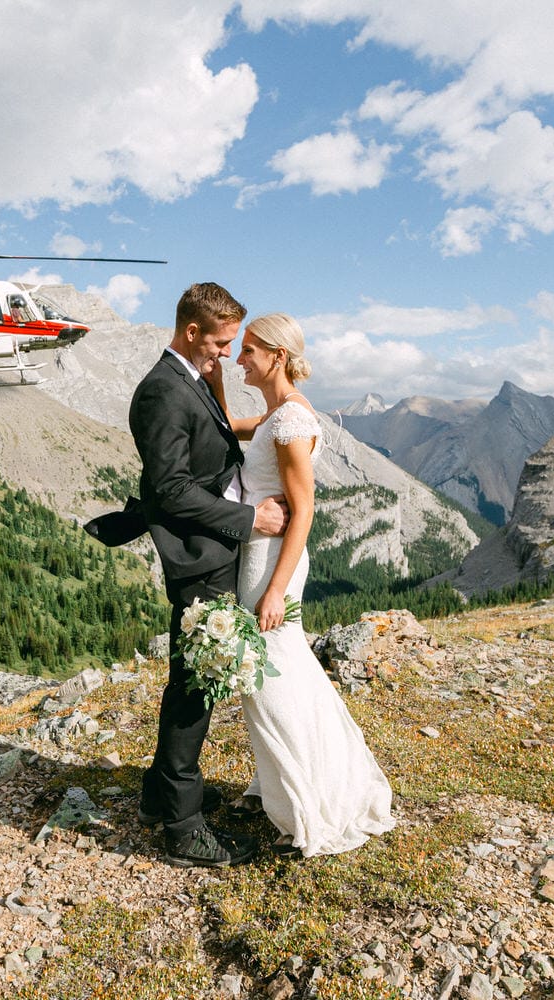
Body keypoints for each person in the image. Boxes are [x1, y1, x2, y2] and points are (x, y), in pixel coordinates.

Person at [127, 282, 289, 868]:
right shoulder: (161, 393)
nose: (226, 353)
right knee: (196, 685)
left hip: (214, 550)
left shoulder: (188, 380)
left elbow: (208, 448)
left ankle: (159, 797)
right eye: (221, 343)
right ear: (192, 331)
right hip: (198, 554)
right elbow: (169, 491)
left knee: (191, 678)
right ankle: (184, 825)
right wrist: (251, 519)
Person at [227, 312, 396, 857]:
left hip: (272, 560)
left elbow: (303, 512)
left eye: (248, 349)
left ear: (276, 356)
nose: (238, 358)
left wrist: (276, 590)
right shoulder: (278, 413)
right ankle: (283, 780)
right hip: (261, 556)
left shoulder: (291, 423)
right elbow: (232, 424)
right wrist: (203, 383)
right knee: (277, 667)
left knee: (270, 673)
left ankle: (310, 801)